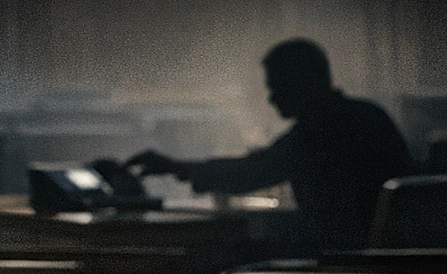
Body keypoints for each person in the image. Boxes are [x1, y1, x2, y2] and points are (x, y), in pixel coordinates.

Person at [125, 38, 412, 252]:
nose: (272, 99)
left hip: (344, 258)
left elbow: (251, 173)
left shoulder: (318, 131)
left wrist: (173, 167)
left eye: (278, 86)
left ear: (303, 82)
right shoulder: (366, 114)